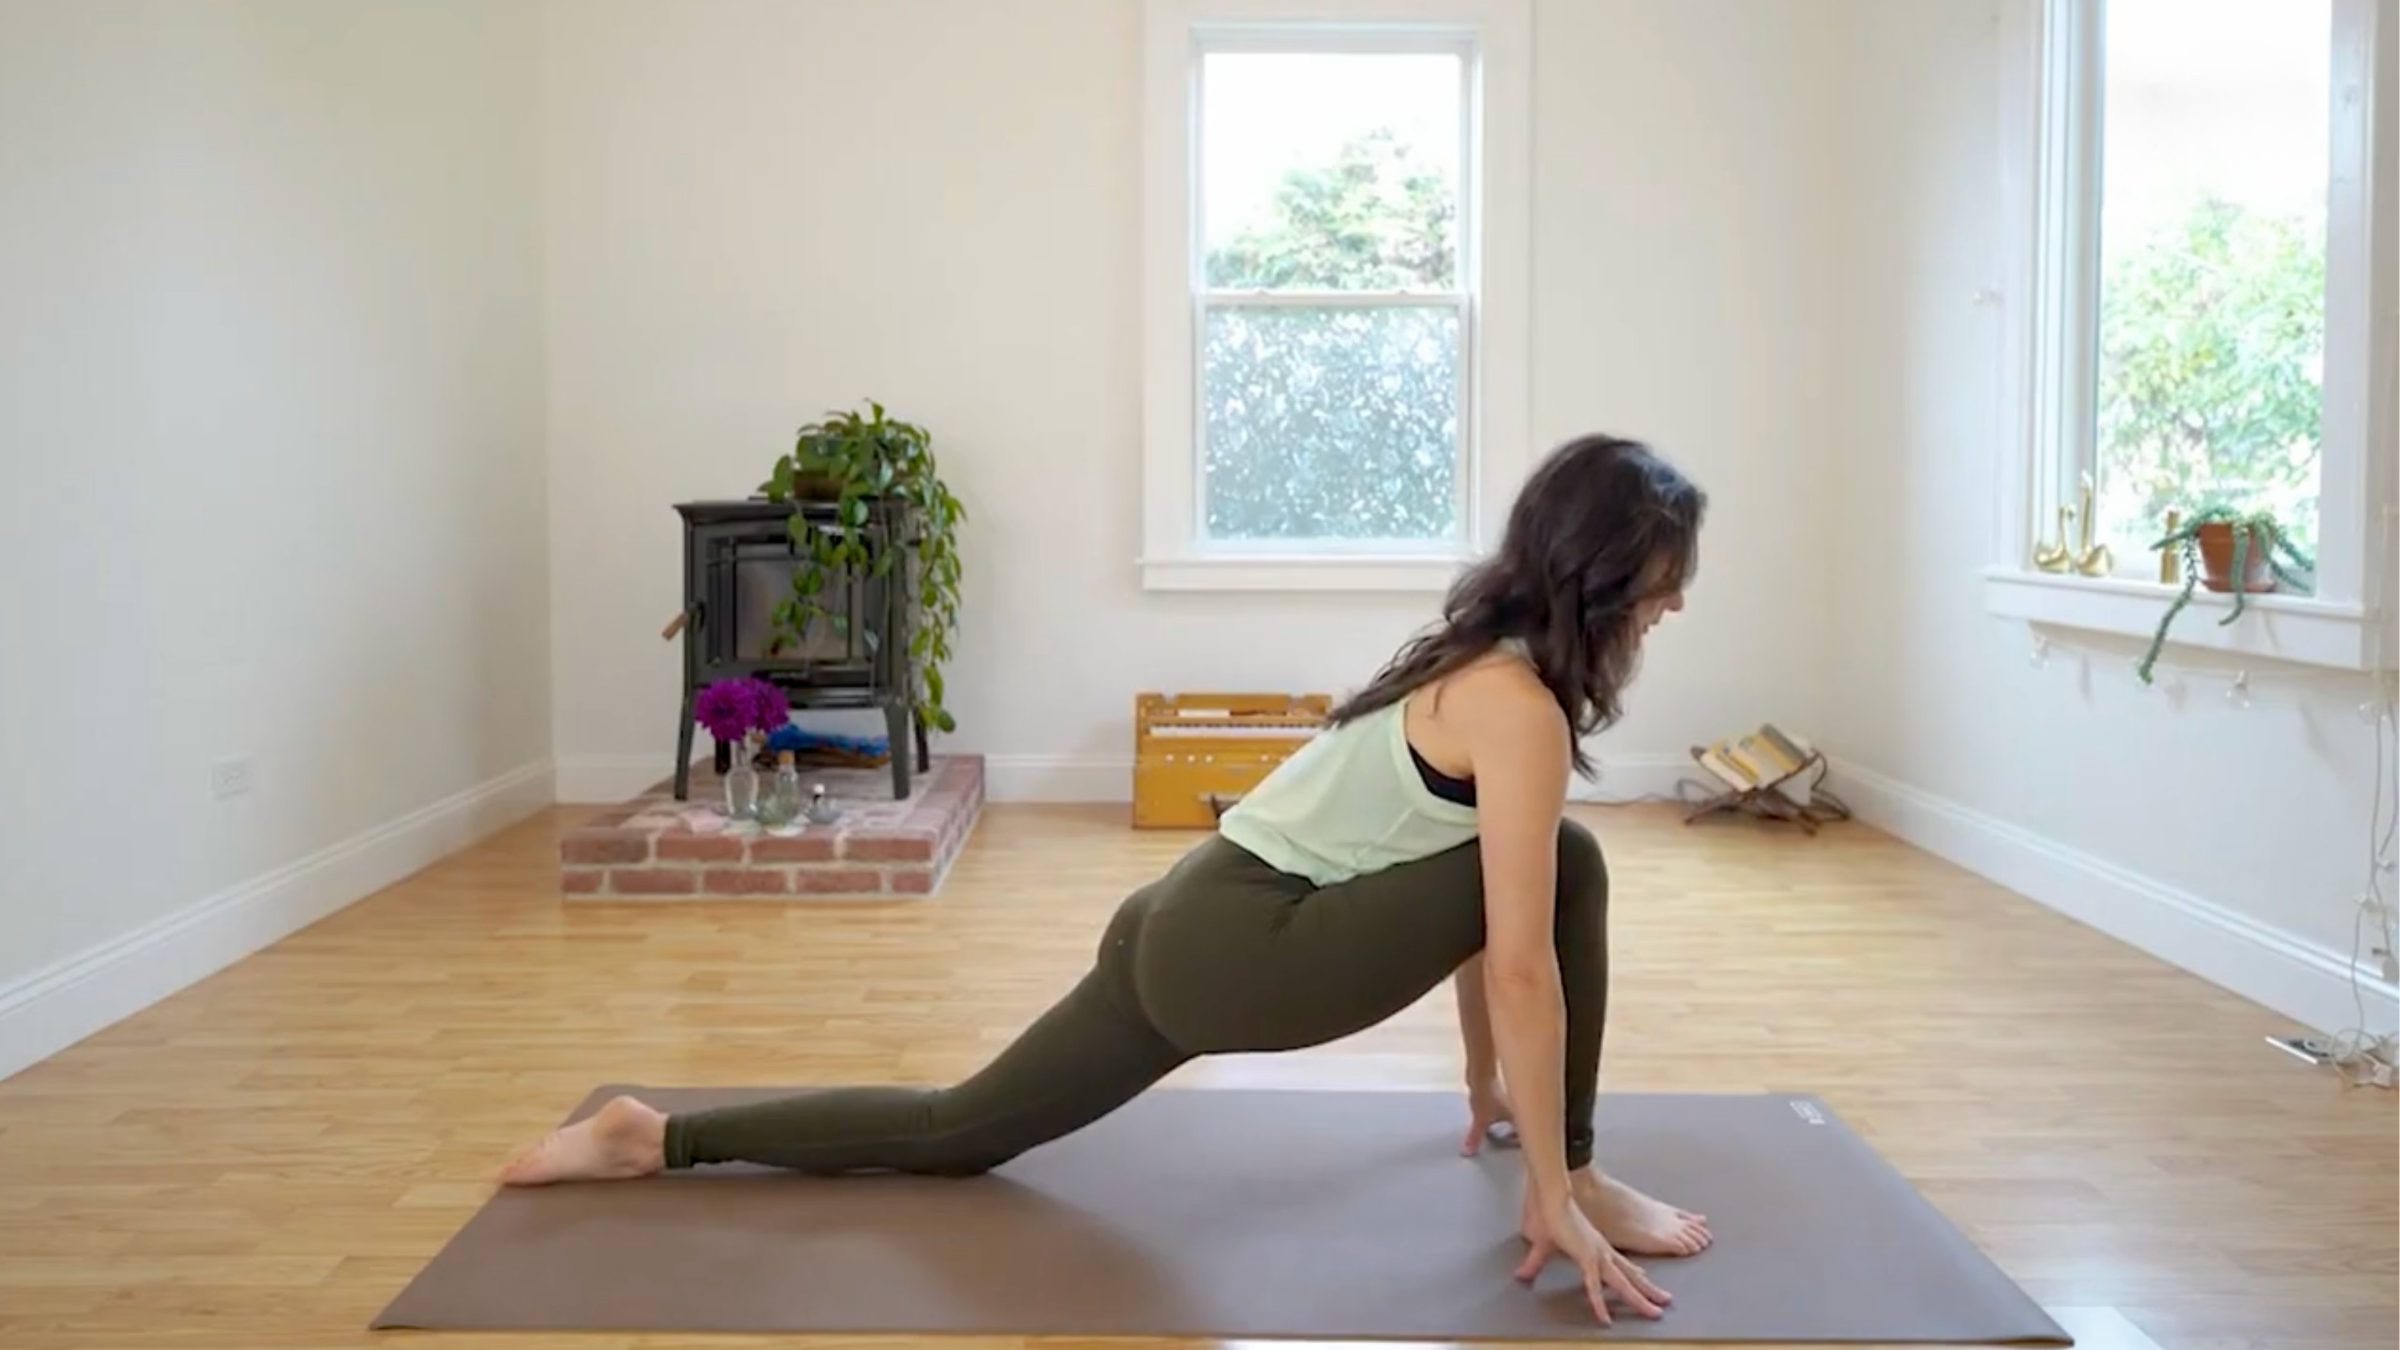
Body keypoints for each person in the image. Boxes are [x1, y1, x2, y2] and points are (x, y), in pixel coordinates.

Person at [498, 433, 1711, 1327]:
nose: (1673, 601)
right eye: (1662, 577)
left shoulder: (1473, 662)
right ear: (1598, 575)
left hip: (1179, 920)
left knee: (953, 1129)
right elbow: (1513, 954)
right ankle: (1585, 1177)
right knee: (1568, 866)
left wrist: (1491, 1089)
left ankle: (656, 1139)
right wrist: (1554, 1183)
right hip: (1243, 953)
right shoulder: (1519, 711)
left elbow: (1471, 908)